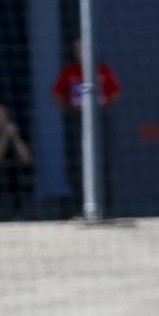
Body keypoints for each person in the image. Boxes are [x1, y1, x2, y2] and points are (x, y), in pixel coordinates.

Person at [52, 38, 121, 216]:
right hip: (78, 121)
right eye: (77, 49)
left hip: (99, 121)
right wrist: (71, 106)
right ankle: (81, 207)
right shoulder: (69, 71)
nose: (80, 52)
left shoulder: (102, 69)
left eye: (83, 48)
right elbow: (56, 94)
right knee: (78, 164)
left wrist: (101, 105)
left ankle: (106, 208)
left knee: (102, 163)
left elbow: (116, 92)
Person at [0, 103, 35, 220]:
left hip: (17, 180)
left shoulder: (19, 133)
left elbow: (27, 159)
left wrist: (15, 138)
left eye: (1, 115)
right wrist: (4, 136)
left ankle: (21, 214)